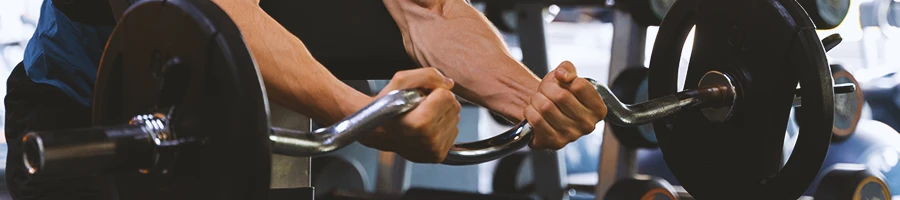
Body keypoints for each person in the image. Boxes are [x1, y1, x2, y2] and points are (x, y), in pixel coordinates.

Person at [4, 0, 609, 199]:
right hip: (91, 117)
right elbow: (220, 15)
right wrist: (362, 115)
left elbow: (430, 10)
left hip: (257, 127)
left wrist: (531, 96)